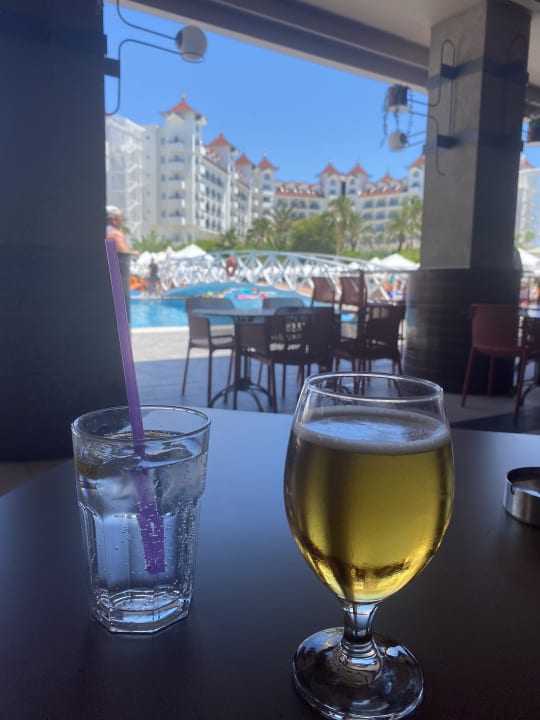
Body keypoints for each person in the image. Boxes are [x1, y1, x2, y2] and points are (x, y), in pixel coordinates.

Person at [106, 206, 138, 320]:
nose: (122, 222)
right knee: (122, 306)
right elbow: (122, 253)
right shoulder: (115, 234)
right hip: (118, 279)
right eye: (120, 219)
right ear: (114, 220)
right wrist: (132, 253)